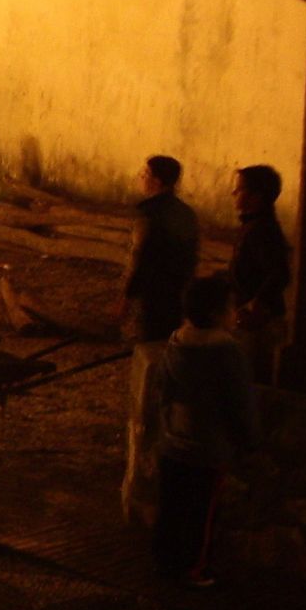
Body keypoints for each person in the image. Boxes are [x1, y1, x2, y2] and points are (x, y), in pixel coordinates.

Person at [152, 275, 256, 588]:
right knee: (202, 513)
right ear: (215, 313)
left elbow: (164, 390)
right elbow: (239, 402)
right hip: (207, 448)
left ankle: (165, 562)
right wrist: (250, 441)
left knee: (171, 506)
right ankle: (194, 569)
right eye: (230, 307)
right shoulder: (227, 353)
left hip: (174, 442)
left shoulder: (176, 342)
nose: (235, 312)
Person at [118, 154, 200, 525]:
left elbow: (138, 256)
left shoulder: (148, 213)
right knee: (170, 349)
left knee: (150, 353)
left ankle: (151, 420)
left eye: (145, 173)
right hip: (176, 295)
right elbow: (191, 258)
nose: (141, 177)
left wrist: (125, 296)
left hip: (153, 295)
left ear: (156, 180)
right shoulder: (186, 214)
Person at [229, 165, 291, 385]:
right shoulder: (253, 226)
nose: (234, 193)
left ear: (257, 196)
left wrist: (257, 303)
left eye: (239, 189)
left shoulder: (261, 231)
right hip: (252, 319)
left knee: (252, 381)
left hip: (258, 325)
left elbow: (280, 273)